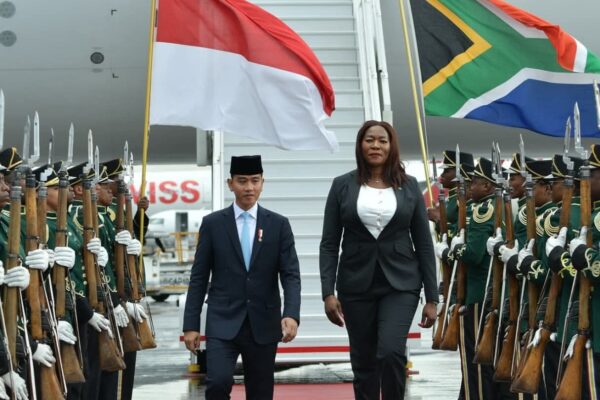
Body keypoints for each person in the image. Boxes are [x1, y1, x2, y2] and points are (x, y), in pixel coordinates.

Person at [319, 120, 438, 400]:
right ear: (360, 145)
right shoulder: (342, 186)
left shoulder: (409, 186)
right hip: (355, 285)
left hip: (401, 283)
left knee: (390, 351)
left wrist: (432, 297)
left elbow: (423, 243)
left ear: (391, 146)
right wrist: (327, 292)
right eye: (369, 140)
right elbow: (329, 243)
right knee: (364, 362)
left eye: (382, 141)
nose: (376, 145)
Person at [183, 155, 301, 400]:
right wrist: (191, 325)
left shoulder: (278, 225)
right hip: (222, 320)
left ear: (262, 183)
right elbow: (199, 277)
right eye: (242, 181)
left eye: (255, 181)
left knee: (260, 392)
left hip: (263, 321)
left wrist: (291, 314)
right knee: (217, 384)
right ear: (230, 184)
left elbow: (291, 274)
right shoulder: (213, 224)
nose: (249, 187)